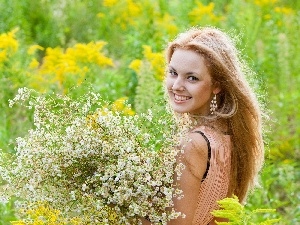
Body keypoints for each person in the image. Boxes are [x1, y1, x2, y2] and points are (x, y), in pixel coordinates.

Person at [141, 27, 265, 225]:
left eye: (192, 78)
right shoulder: (228, 135)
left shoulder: (194, 145)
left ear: (217, 85)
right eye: (173, 73)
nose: (176, 86)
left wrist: (121, 209)